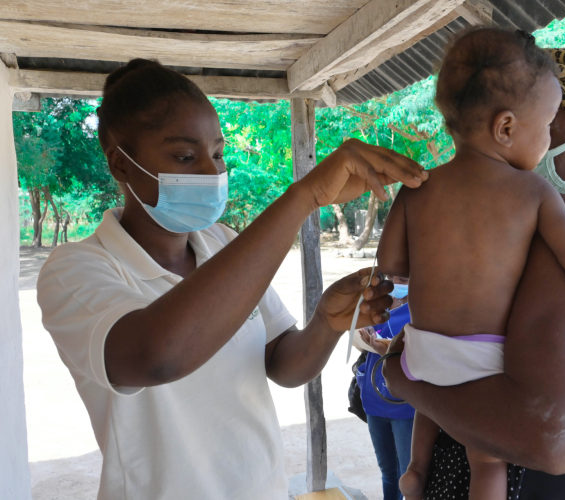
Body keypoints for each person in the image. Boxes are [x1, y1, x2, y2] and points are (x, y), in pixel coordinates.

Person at [35, 58, 429, 500]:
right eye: (185, 156)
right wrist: (304, 197)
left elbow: (282, 364)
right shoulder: (77, 269)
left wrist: (326, 324)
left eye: (218, 153)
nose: (211, 171)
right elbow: (158, 356)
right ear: (121, 165)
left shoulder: (221, 243)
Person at [383, 46, 565, 500]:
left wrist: (402, 381)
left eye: (552, 124)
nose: (540, 140)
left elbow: (555, 441)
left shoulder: (563, 221)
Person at [354, 276, 415, 500]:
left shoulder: (424, 309)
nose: (397, 282)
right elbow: (356, 336)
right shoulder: (377, 303)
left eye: (404, 279)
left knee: (408, 475)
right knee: (388, 472)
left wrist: (384, 351)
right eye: (394, 277)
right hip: (374, 399)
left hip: (404, 404)